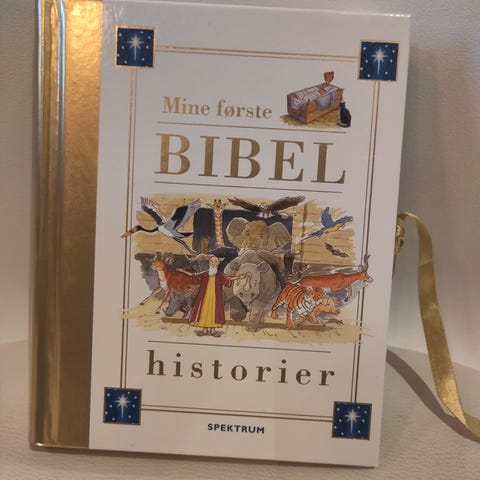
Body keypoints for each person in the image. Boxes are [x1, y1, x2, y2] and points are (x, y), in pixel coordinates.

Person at [181, 256, 243, 337]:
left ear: (218, 263)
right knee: (204, 311)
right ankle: (204, 330)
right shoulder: (205, 273)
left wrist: (238, 277)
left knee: (214, 312)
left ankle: (213, 331)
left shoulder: (219, 275)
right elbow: (194, 276)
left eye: (215, 261)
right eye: (212, 261)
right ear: (209, 263)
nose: (213, 263)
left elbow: (228, 279)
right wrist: (183, 271)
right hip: (204, 297)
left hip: (215, 298)